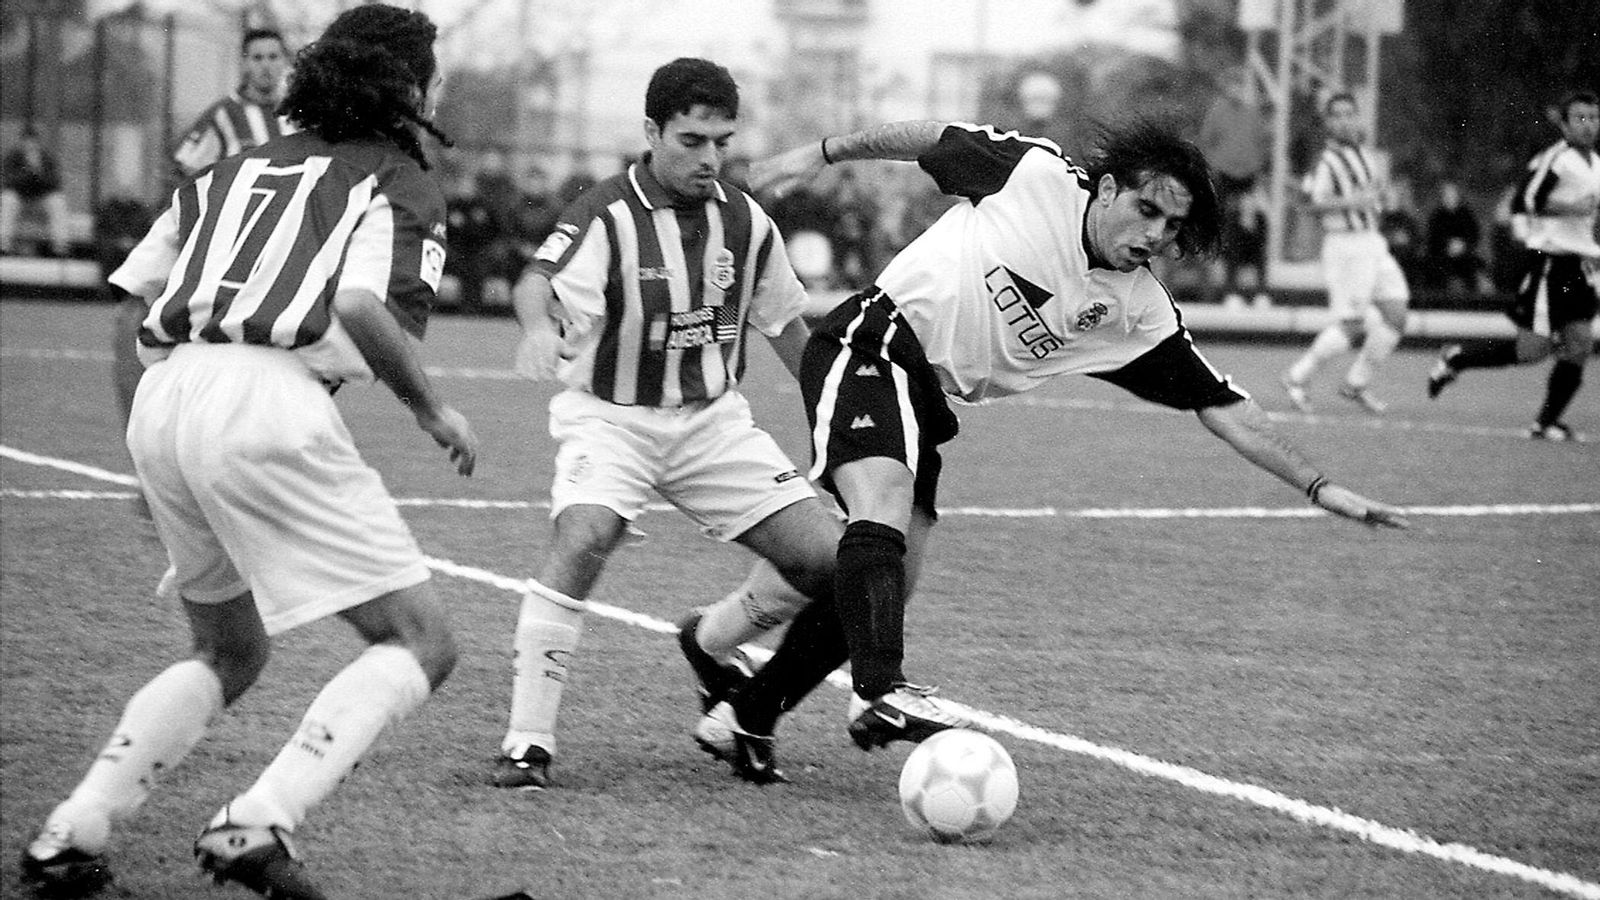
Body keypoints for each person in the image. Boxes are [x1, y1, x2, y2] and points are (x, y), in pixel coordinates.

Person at [680, 117, 1409, 779]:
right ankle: (881, 691)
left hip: (924, 397)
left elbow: (1225, 407)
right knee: (884, 511)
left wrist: (1319, 486)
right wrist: (817, 150)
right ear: (1108, 189)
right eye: (1145, 209)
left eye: (1172, 225)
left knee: (884, 579)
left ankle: (747, 712)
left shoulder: (1138, 313)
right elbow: (927, 138)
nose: (1155, 234)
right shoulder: (1032, 174)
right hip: (868, 341)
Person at [21, 7, 478, 898]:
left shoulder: (233, 166)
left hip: (168, 393)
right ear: (410, 89)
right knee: (421, 641)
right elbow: (356, 308)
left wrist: (142, 446)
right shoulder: (399, 172)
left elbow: (135, 302)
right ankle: (256, 822)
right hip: (267, 397)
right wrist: (431, 409)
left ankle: (70, 833)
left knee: (229, 650)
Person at [494, 57, 843, 789]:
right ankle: (528, 744)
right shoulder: (605, 214)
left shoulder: (746, 220)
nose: (709, 157)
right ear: (652, 132)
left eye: (721, 140)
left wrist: (834, 418)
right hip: (611, 420)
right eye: (691, 140)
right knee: (585, 537)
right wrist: (536, 328)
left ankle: (713, 644)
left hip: (712, 423)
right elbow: (537, 283)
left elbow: (781, 323)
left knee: (835, 564)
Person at [112, 26, 297, 518]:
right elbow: (179, 172)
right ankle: (152, 461)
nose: (265, 65)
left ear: (285, 62)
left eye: (273, 56)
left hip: (270, 254)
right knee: (135, 318)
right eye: (256, 56)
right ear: (243, 63)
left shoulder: (298, 119)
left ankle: (245, 473)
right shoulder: (223, 117)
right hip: (210, 241)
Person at [1427, 89, 1599, 441]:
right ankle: (1456, 358)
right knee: (1531, 351)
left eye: (1594, 118)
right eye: (1579, 118)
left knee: (1580, 342)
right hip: (1550, 264)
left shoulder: (1595, 163)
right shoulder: (1556, 159)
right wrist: (1572, 210)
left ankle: (1546, 422)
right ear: (1564, 125)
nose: (1588, 125)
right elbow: (1525, 200)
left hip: (1581, 266)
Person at [1281, 92, 1411, 415]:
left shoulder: (1366, 154)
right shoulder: (1326, 160)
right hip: (1346, 245)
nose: (1344, 120)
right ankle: (1296, 377)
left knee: (1396, 314)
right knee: (1352, 324)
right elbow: (1309, 202)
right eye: (1336, 115)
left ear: (1358, 117)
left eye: (1349, 113)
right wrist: (1351, 203)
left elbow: (1376, 195)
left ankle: (1355, 383)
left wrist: (1382, 197)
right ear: (1327, 122)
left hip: (1372, 241)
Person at [0, 126, 71, 257]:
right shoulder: (12, 158)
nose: (30, 146)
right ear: (21, 143)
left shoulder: (47, 159)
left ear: (38, 143)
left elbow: (55, 183)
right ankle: (3, 245)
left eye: (33, 142)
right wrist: (28, 171)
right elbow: (8, 183)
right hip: (20, 201)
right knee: (7, 198)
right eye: (26, 142)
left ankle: (60, 247)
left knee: (57, 201)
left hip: (40, 201)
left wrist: (38, 172)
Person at [1424, 179, 1486, 296]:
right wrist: (1447, 246)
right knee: (1434, 267)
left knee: (1472, 267)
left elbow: (1474, 235)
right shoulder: (1436, 216)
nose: (1449, 197)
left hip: (1464, 254)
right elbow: (1433, 238)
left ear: (1457, 196)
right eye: (1446, 195)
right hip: (1442, 255)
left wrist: (1463, 245)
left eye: (1452, 194)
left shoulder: (1467, 214)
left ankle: (1472, 302)